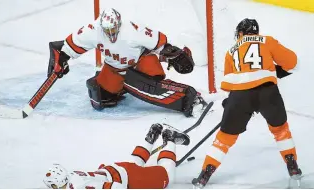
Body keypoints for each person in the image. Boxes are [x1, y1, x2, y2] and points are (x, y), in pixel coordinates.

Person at [192, 18, 301, 188]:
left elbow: (227, 82)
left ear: (241, 33)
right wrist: (274, 71)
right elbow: (293, 62)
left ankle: (205, 173)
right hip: (268, 93)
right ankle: (292, 165)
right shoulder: (267, 40)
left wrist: (232, 100)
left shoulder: (231, 51)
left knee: (225, 138)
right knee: (280, 129)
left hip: (240, 97)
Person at [47, 8, 207, 117]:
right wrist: (61, 58)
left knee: (146, 86)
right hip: (115, 68)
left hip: (141, 63)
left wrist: (172, 52)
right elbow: (67, 46)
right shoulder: (92, 30)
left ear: (119, 23)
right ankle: (121, 85)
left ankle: (188, 98)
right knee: (101, 99)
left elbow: (160, 43)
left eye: (113, 29)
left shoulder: (133, 30)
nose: (110, 34)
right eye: (106, 30)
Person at [43, 124, 190, 189]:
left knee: (167, 177)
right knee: (135, 165)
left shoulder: (77, 187)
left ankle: (170, 138)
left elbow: (116, 188)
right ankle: (150, 138)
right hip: (116, 169)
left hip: (127, 178)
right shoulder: (73, 175)